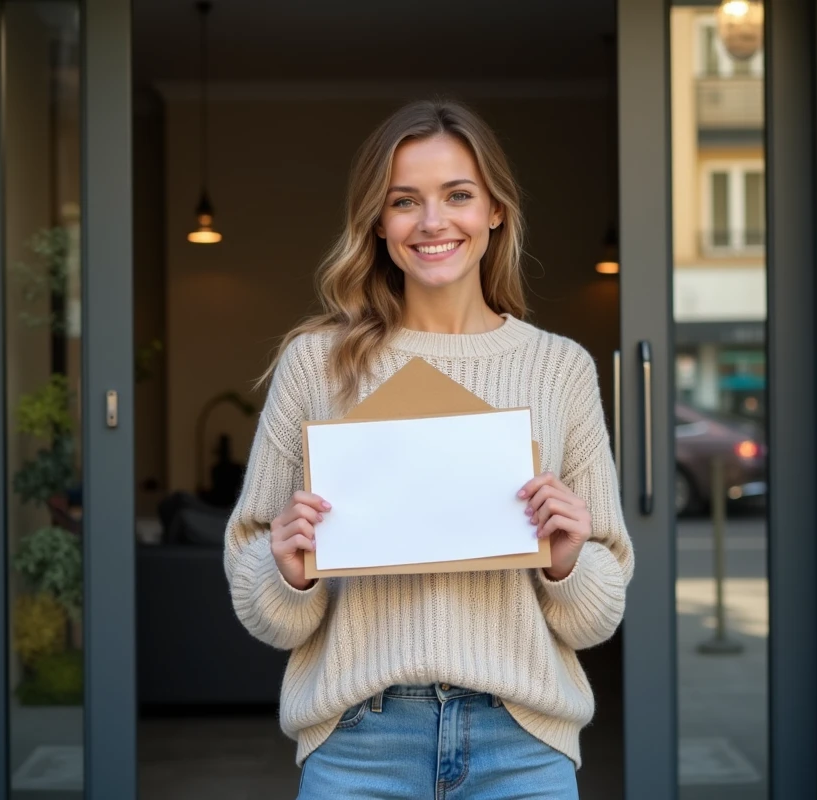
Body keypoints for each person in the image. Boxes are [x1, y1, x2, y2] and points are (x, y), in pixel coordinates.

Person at [224, 99, 634, 799]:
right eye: (404, 201)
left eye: (458, 196)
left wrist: (566, 560)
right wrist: (288, 570)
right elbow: (266, 603)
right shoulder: (315, 365)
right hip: (359, 744)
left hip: (523, 745)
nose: (433, 222)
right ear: (379, 224)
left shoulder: (559, 368)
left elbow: (597, 616)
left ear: (496, 211)